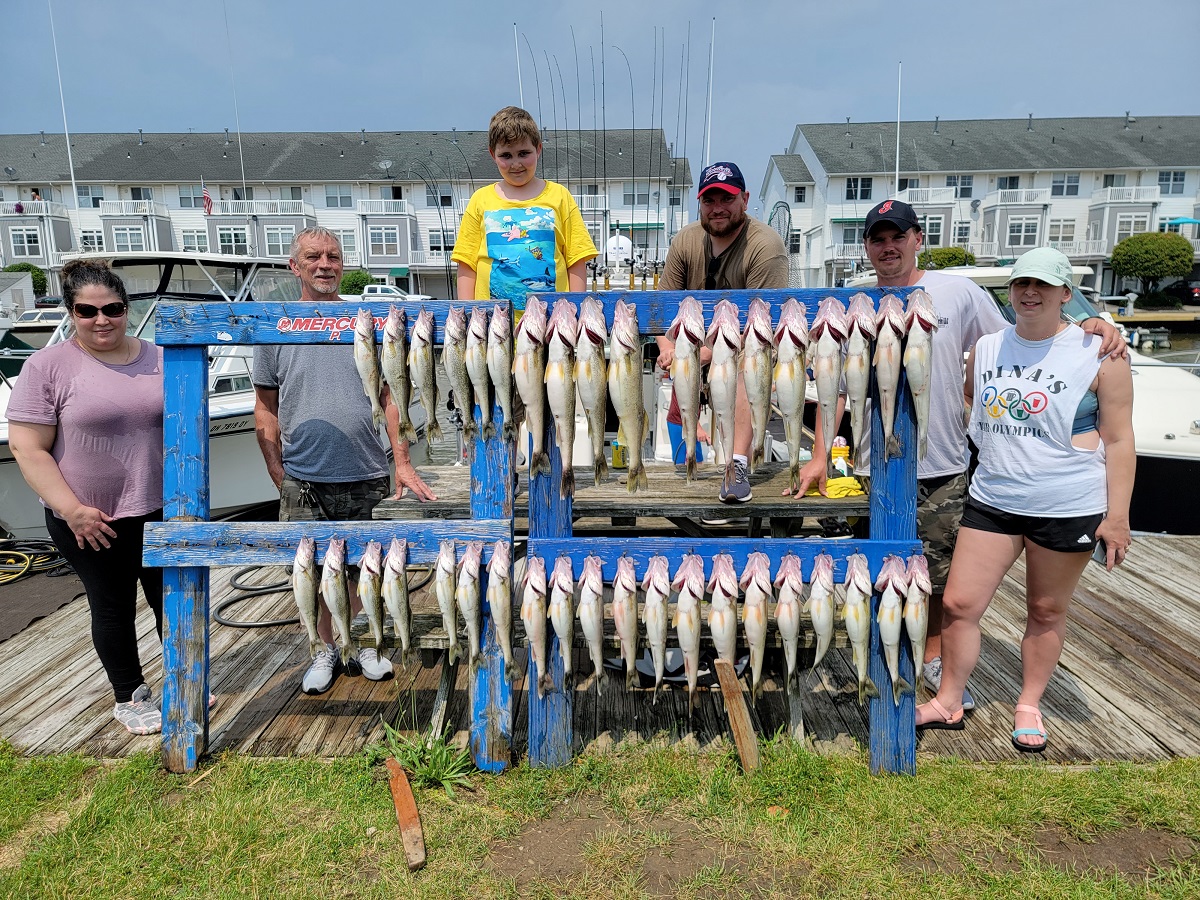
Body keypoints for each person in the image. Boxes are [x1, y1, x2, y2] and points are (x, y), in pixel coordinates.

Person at [795, 199, 1125, 710]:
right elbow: (835, 387)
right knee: (870, 572)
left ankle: (930, 658)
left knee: (939, 578)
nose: (888, 247)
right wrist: (819, 453)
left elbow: (1020, 338)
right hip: (867, 467)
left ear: (917, 238)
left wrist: (1095, 325)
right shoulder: (849, 305)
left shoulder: (959, 291)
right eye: (877, 239)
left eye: (897, 236)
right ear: (866, 247)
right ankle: (877, 656)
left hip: (943, 463)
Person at [915, 247, 1134, 751]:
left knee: (1045, 609)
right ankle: (949, 698)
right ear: (1009, 292)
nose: (1030, 294)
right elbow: (972, 397)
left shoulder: (1098, 352)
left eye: (1042, 285)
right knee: (959, 602)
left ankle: (1029, 702)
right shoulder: (990, 346)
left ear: (1064, 293)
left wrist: (1117, 517)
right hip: (993, 496)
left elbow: (1120, 440)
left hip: (1067, 503)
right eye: (1020, 285)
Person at [253, 227, 436, 695]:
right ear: (295, 266)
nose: (325, 264)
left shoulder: (368, 320)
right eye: (312, 257)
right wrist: (275, 466)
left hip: (367, 468)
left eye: (333, 256)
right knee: (310, 573)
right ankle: (323, 649)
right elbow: (265, 406)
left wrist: (403, 461)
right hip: (303, 475)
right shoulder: (273, 325)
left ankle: (366, 643)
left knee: (365, 569)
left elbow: (390, 393)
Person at [8, 259, 169, 735]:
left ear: (127, 308)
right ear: (71, 312)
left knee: (172, 600)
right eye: (87, 311)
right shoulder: (47, 365)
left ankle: (185, 675)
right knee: (112, 603)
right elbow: (26, 446)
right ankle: (130, 694)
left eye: (113, 308)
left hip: (161, 507)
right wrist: (72, 510)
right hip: (90, 516)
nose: (102, 320)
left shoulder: (159, 355)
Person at [655, 161, 788, 502]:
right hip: (693, 348)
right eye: (709, 200)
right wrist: (666, 347)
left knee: (746, 365)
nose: (717, 209)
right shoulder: (685, 240)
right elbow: (660, 308)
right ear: (699, 203)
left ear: (744, 199)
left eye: (726, 199)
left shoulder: (765, 246)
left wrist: (707, 353)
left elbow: (762, 328)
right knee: (679, 375)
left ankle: (737, 463)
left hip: (741, 350)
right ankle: (685, 462)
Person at [452, 106, 596, 308]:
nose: (516, 163)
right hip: (492, 325)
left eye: (523, 153)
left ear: (538, 149)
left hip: (551, 324)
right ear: (493, 154)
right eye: (506, 156)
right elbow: (466, 264)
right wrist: (467, 313)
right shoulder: (479, 200)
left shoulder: (560, 197)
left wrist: (575, 309)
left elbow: (576, 260)